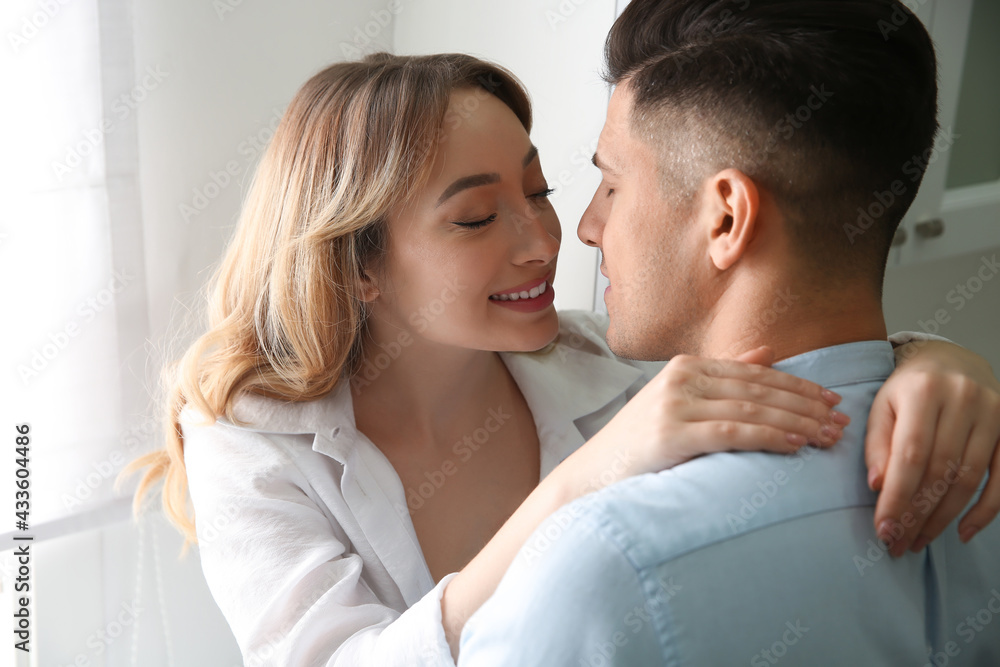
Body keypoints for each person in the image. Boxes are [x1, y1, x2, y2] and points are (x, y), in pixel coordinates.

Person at [120, 51, 1000, 666]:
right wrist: (576, 485)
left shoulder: (592, 354)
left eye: (540, 190)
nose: (547, 239)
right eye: (476, 217)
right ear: (358, 268)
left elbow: (802, 350)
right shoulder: (252, 441)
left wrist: (934, 359)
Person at [456, 1, 1000, 665]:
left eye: (611, 184)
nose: (588, 228)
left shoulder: (598, 571)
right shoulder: (982, 465)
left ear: (725, 220)